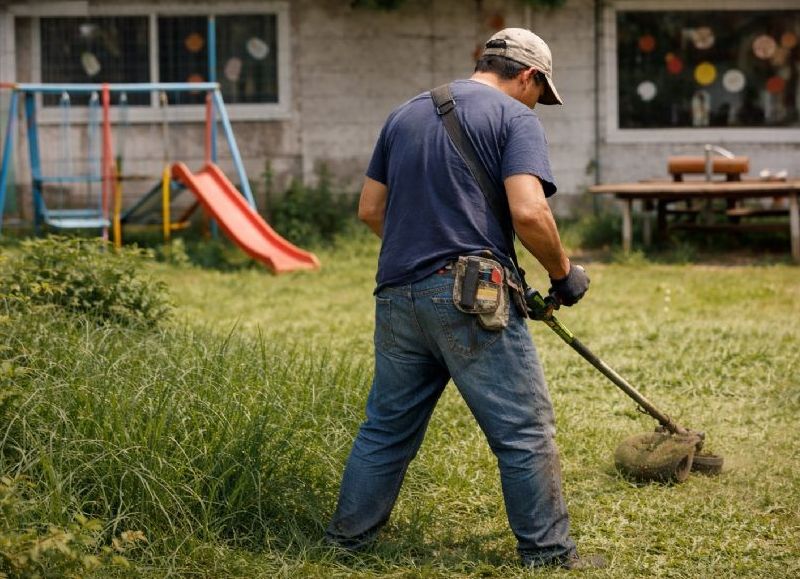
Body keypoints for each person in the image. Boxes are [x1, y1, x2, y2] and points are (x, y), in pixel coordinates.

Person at [325, 27, 605, 570]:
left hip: (398, 294)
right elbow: (528, 212)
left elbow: (370, 210)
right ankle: (548, 555)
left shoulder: (404, 114)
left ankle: (346, 544)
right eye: (539, 93)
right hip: (468, 297)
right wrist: (563, 273)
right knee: (524, 431)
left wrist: (424, 252)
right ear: (527, 76)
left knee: (385, 428)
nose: (537, 105)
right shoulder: (514, 117)